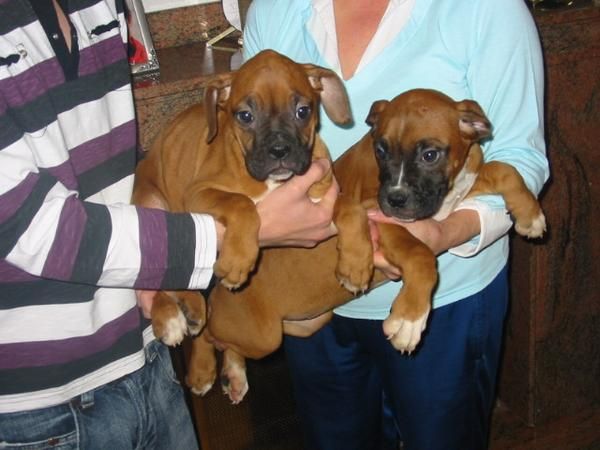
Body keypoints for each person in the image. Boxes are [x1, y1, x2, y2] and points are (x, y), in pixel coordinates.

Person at [0, 0, 337, 448]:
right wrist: (239, 232)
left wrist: (164, 277)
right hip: (45, 397)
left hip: (147, 350)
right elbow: (31, 229)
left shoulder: (102, 6)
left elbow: (107, 168)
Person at [243, 0, 550, 449]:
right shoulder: (274, 11)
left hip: (445, 300)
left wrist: (443, 234)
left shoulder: (488, 10)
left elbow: (521, 156)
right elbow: (246, 149)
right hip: (313, 295)